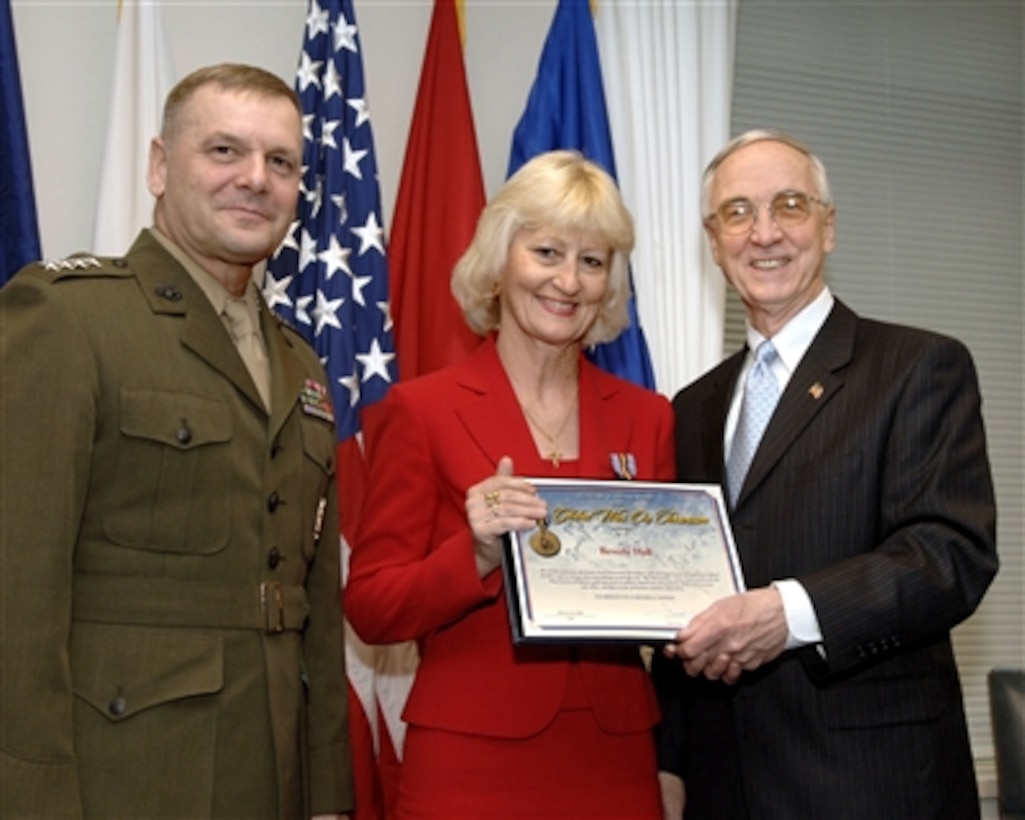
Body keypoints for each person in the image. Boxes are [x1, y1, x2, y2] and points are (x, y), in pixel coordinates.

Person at [0, 64, 353, 819]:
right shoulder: (67, 320)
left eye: (281, 162)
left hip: (273, 776)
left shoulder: (301, 364)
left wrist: (326, 794)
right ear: (160, 167)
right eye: (224, 151)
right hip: (123, 777)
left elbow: (309, 606)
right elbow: (16, 593)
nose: (255, 179)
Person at [652, 129, 998, 819]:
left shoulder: (917, 367)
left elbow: (947, 556)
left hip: (869, 785)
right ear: (712, 239)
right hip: (722, 788)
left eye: (788, 204)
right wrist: (669, 762)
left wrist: (783, 614)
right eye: (737, 213)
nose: (764, 233)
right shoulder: (690, 407)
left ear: (828, 226)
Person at [346, 150, 674, 819]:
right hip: (470, 757)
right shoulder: (421, 410)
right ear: (500, 260)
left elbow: (665, 590)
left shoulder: (649, 416)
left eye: (592, 260)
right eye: (547, 251)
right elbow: (372, 607)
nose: (568, 281)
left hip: (614, 757)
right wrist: (472, 553)